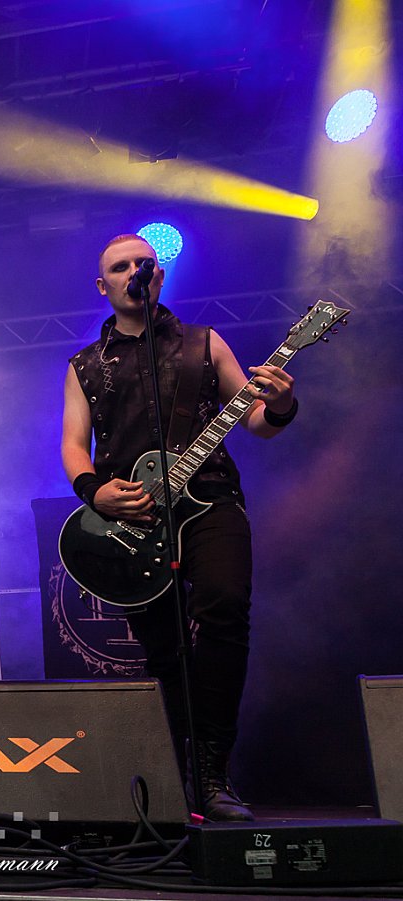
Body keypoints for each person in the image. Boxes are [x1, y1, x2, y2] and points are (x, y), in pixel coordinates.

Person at [61, 234, 297, 822]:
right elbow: (73, 443)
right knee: (165, 651)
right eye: (120, 267)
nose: (133, 272)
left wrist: (281, 405)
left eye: (143, 264)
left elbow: (257, 421)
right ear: (103, 286)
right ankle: (180, 771)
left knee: (224, 606)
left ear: (159, 276)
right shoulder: (84, 365)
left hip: (210, 499)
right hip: (136, 518)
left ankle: (213, 768)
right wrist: (95, 491)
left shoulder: (203, 343)